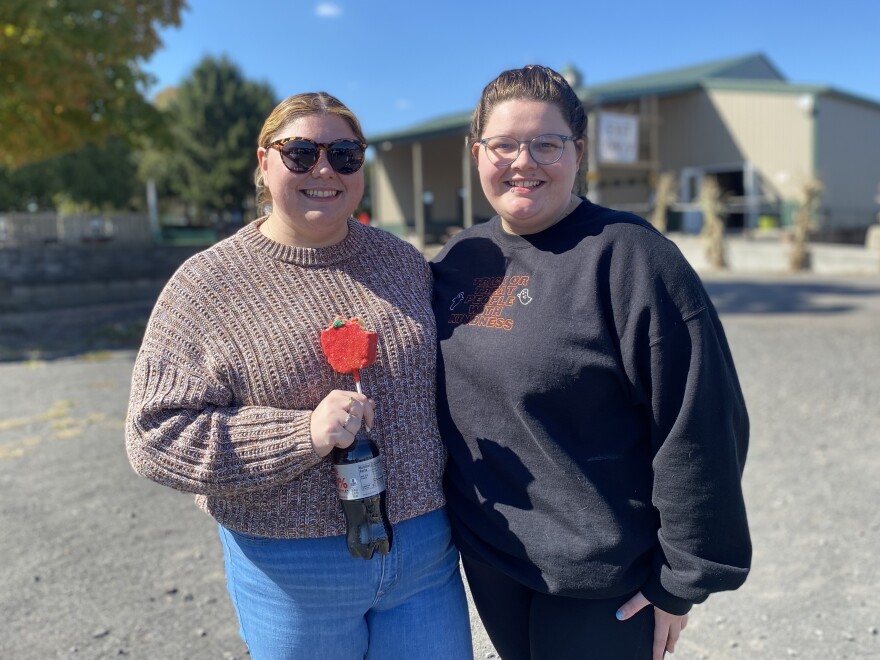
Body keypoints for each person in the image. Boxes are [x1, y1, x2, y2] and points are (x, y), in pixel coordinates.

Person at [126, 92, 473, 660]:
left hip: (424, 550)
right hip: (291, 568)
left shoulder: (403, 263)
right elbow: (153, 437)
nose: (324, 170)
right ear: (264, 162)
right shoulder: (206, 286)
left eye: (344, 154)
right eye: (300, 153)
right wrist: (301, 436)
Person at [431, 65, 751, 660]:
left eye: (546, 144)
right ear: (477, 153)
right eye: (503, 145)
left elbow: (700, 420)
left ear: (578, 152)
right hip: (494, 556)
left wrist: (681, 580)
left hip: (600, 574)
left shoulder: (631, 259)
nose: (522, 162)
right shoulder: (463, 257)